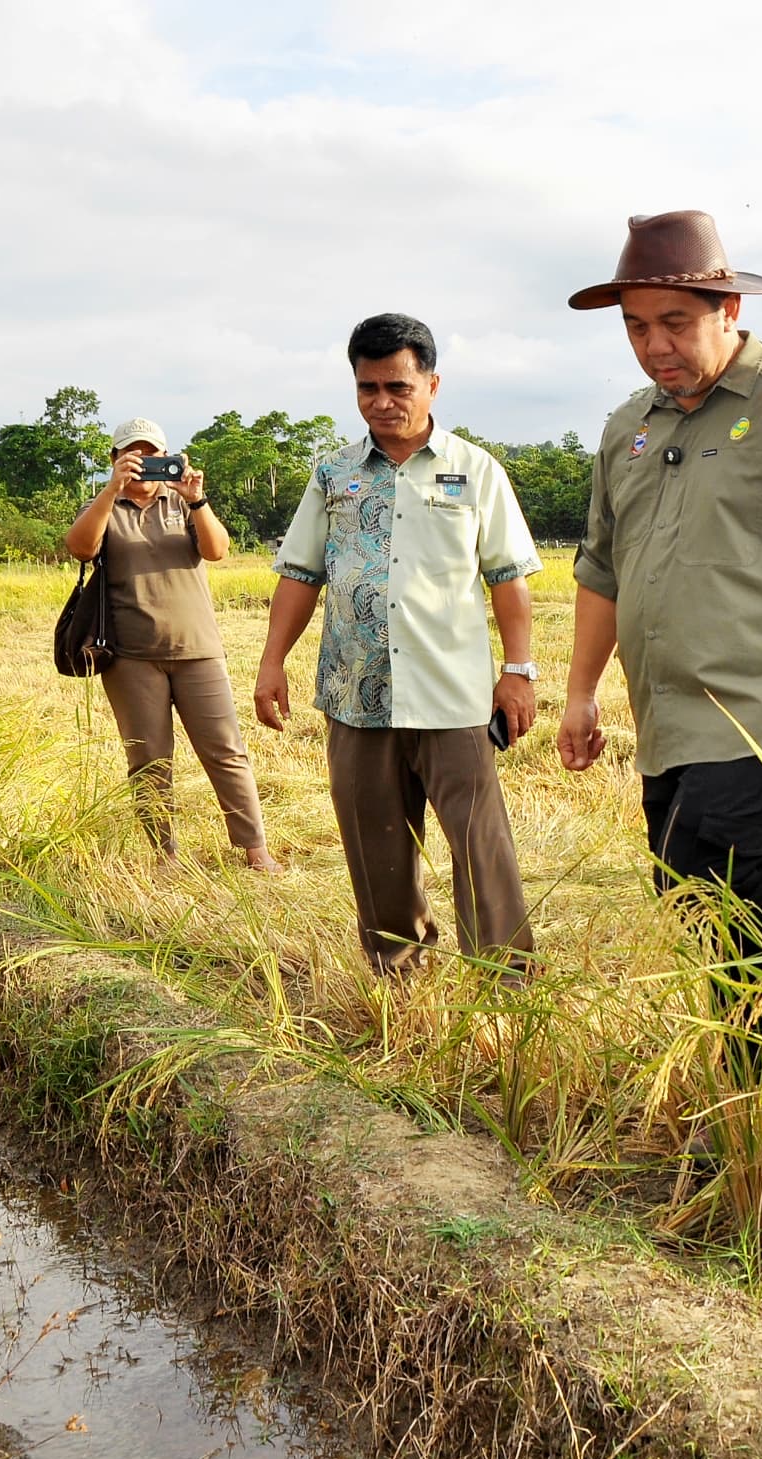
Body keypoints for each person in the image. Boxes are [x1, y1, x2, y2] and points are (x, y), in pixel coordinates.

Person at [557, 210, 762, 1045]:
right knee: (683, 886)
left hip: (761, 705)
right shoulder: (630, 425)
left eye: (675, 322)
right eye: (636, 326)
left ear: (728, 310)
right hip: (668, 715)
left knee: (721, 885)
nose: (655, 344)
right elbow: (601, 568)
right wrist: (581, 693)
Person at [255, 313, 542, 974]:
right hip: (357, 697)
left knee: (482, 851)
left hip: (454, 698)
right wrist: (272, 662)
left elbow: (508, 580)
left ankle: (507, 987)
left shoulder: (474, 472)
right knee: (376, 852)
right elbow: (300, 574)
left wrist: (518, 671)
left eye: (397, 386)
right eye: (367, 387)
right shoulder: (334, 475)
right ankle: (398, 983)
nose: (382, 402)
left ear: (432, 385)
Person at [64, 417, 278, 871]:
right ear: (116, 458)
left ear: (167, 455)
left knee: (226, 751)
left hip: (197, 650)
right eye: (133, 454)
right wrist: (111, 491)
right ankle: (165, 856)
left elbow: (217, 550)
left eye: (152, 453)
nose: (145, 462)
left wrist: (195, 499)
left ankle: (255, 850)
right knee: (148, 759)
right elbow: (81, 549)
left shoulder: (182, 502)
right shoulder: (104, 506)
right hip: (131, 658)